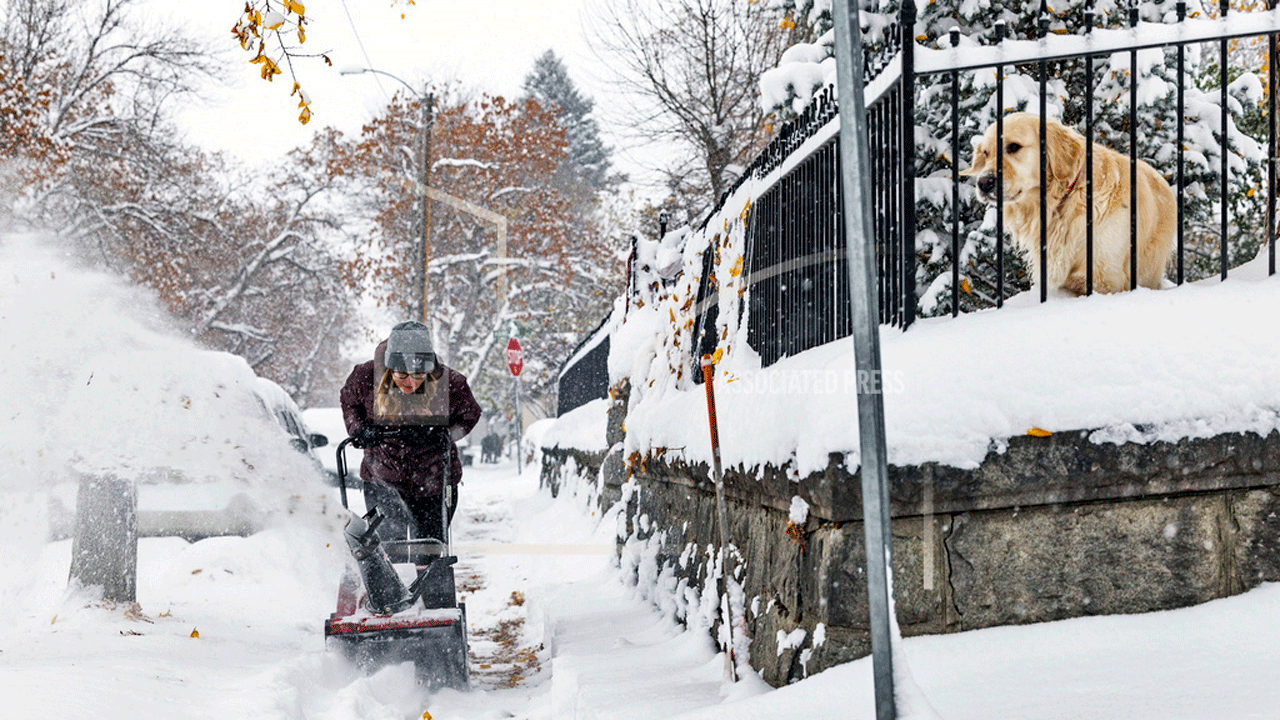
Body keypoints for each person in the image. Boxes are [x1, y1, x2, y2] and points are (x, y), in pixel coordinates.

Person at [340, 321, 482, 550]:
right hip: (382, 477)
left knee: (428, 548)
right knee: (388, 548)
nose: (410, 383)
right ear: (389, 367)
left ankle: (427, 582)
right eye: (402, 375)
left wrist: (442, 433)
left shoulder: (451, 384)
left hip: (433, 480)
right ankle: (392, 585)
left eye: (418, 376)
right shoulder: (366, 377)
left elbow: (470, 415)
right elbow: (349, 402)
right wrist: (359, 429)